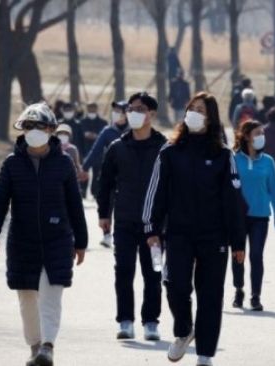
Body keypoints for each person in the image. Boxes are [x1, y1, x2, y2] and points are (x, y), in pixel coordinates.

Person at [142, 92, 247, 366]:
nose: (194, 113)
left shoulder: (224, 155)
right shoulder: (170, 151)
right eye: (191, 108)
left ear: (211, 117)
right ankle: (184, 330)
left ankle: (204, 354)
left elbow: (233, 200)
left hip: (215, 236)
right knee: (175, 285)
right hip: (178, 233)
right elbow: (156, 192)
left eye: (201, 109)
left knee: (210, 294)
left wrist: (238, 242)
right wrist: (152, 228)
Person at [0, 102, 88, 366]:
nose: (33, 131)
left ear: (51, 130)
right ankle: (35, 346)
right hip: (22, 241)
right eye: (28, 126)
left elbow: (75, 204)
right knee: (27, 298)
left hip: (58, 240)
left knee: (51, 293)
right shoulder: (11, 164)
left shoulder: (63, 164)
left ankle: (48, 346)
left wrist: (81, 242)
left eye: (39, 126)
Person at [97, 92, 167, 341]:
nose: (133, 113)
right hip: (125, 221)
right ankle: (125, 320)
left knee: (154, 273)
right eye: (131, 109)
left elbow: (173, 187)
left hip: (156, 227)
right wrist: (104, 214)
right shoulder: (117, 148)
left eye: (140, 109)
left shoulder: (164, 148)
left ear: (152, 114)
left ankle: (151, 322)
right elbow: (104, 183)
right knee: (123, 271)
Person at [231, 120, 275, 311]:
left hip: (260, 216)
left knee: (256, 255)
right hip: (238, 216)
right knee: (238, 255)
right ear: (246, 136)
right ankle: (239, 289)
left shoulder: (268, 162)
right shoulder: (234, 159)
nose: (261, 136)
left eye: (262, 132)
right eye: (257, 133)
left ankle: (256, 296)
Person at [82, 100, 129, 248]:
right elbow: (95, 151)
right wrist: (84, 168)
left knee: (126, 206)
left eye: (120, 111)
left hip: (129, 177)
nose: (116, 114)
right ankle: (107, 235)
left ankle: (126, 234)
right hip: (109, 175)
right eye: (114, 111)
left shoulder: (134, 131)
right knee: (105, 204)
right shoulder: (107, 131)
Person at [80, 103, 108, 199]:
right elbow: (82, 136)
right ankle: (82, 191)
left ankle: (95, 192)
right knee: (84, 170)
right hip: (85, 150)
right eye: (90, 108)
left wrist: (93, 135)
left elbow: (102, 136)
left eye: (93, 108)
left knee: (97, 173)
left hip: (99, 152)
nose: (92, 110)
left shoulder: (103, 122)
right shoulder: (82, 122)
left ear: (96, 109)